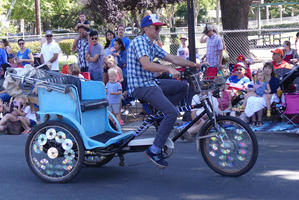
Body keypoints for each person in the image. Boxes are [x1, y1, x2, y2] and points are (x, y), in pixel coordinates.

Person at [127, 14, 203, 168]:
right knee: (172, 113)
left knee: (182, 87)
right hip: (140, 86)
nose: (159, 30)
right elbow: (147, 65)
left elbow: (173, 58)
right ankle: (154, 150)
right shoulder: (140, 41)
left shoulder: (152, 44)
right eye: (156, 27)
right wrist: (167, 69)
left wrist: (194, 65)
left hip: (151, 83)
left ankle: (161, 116)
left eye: (159, 27)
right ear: (146, 29)